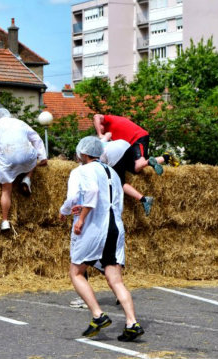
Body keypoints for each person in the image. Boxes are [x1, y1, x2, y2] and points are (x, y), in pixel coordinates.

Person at [59, 136, 144, 342]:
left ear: (84, 153)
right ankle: (132, 322)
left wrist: (68, 212)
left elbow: (86, 194)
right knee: (115, 280)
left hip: (94, 227)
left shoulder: (80, 171)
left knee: (76, 272)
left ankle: (98, 315)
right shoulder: (113, 173)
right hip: (116, 227)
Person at [93, 114, 168, 216]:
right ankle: (163, 158)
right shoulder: (108, 134)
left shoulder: (107, 121)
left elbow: (96, 116)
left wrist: (99, 134)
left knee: (120, 182)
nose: (98, 128)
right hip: (127, 146)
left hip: (137, 139)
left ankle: (144, 199)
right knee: (136, 168)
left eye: (98, 126)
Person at [0, 108, 47, 231]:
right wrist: (43, 157)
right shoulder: (20, 122)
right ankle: (27, 178)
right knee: (33, 157)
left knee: (6, 190)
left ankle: (5, 221)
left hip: (9, 157)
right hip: (27, 157)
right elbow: (36, 138)